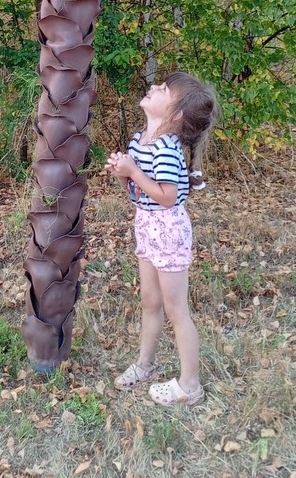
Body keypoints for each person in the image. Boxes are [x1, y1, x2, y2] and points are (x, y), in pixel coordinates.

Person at [105, 71, 218, 408]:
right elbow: (137, 191)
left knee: (176, 310)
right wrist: (122, 173)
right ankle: (145, 364)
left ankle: (190, 385)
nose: (153, 87)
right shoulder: (139, 140)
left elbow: (167, 197)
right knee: (150, 301)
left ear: (175, 114)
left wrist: (133, 172)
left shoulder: (166, 149)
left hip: (168, 231)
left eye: (163, 89)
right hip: (147, 227)